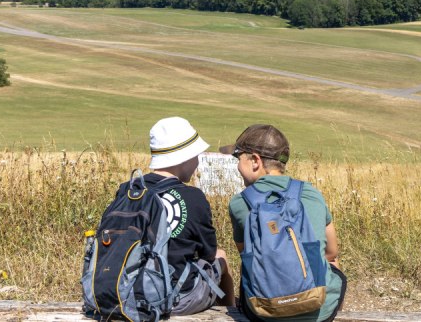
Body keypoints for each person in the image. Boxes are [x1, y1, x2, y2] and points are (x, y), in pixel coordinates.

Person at [226, 124, 347, 322]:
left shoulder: (240, 203)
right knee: (333, 264)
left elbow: (245, 252)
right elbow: (332, 251)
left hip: (263, 313)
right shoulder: (312, 194)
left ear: (255, 161)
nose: (238, 166)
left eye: (238, 158)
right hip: (320, 310)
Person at [145, 116, 235, 315]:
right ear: (184, 157)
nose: (197, 161)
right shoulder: (193, 197)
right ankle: (231, 312)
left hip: (127, 291)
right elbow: (208, 253)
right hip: (176, 299)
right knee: (221, 256)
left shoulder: (130, 190)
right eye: (196, 155)